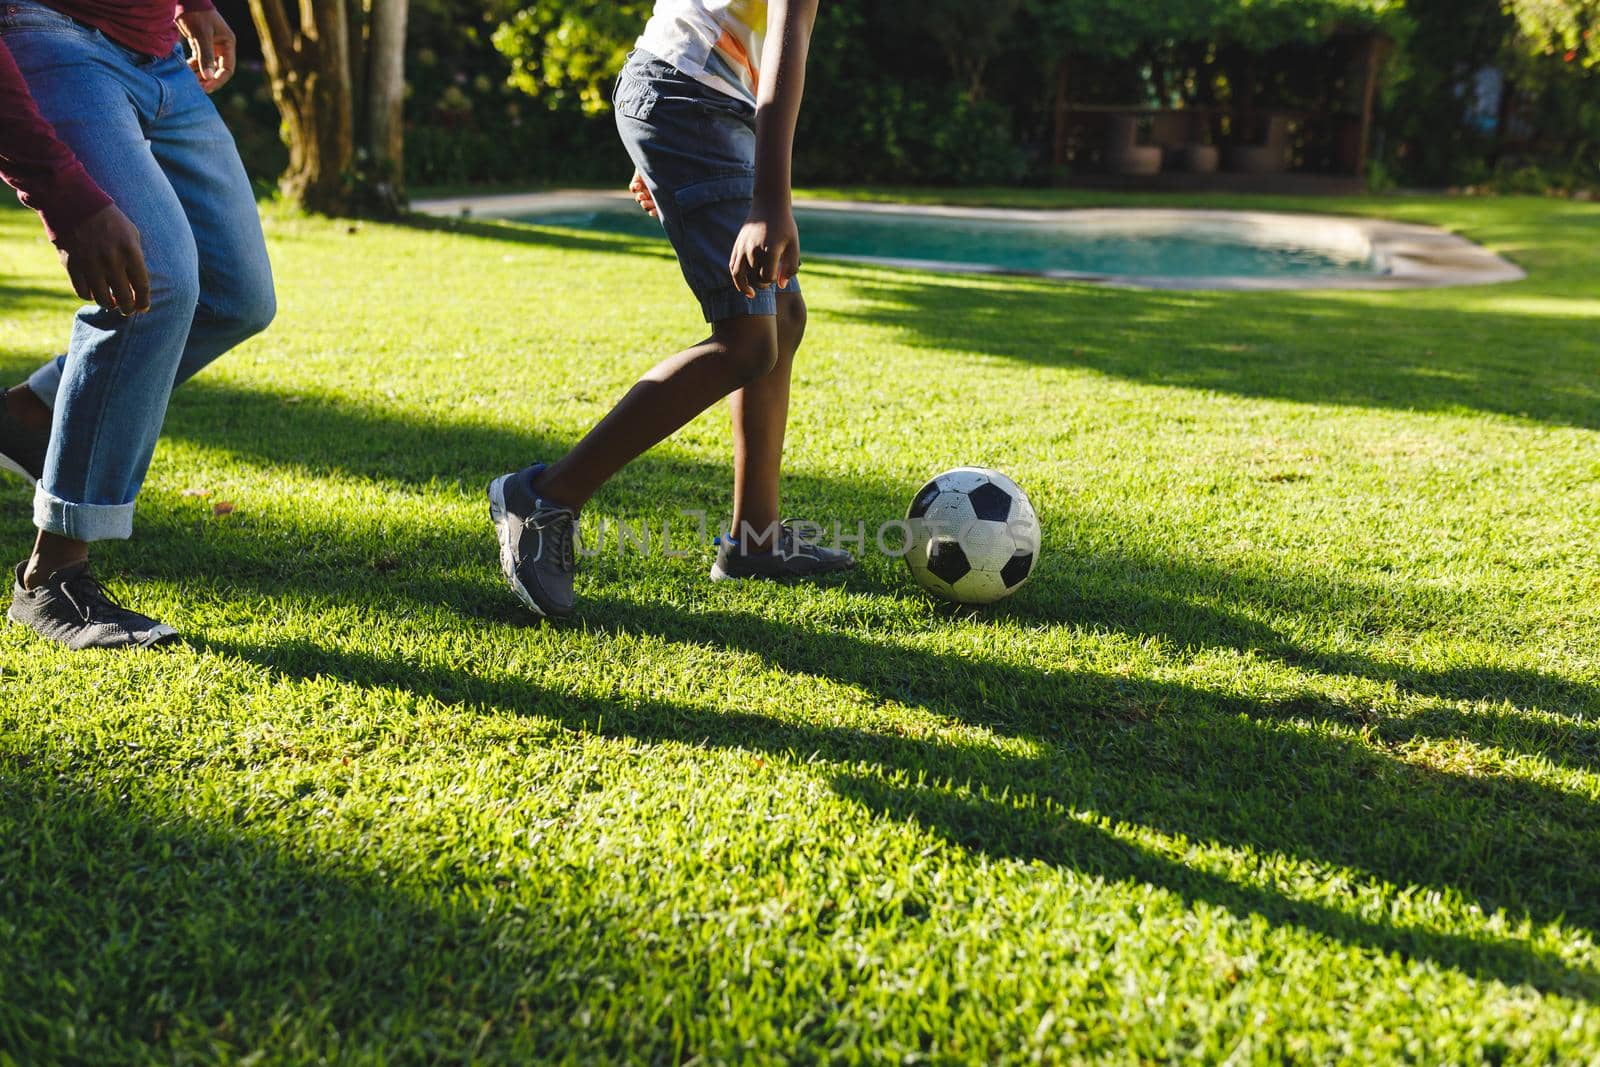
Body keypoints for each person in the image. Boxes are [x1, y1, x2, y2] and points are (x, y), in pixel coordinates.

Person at [489, 0, 851, 619]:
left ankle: (754, 539)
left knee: (781, 320)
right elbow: (789, 37)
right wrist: (768, 202)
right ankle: (543, 498)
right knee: (748, 341)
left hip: (691, 97)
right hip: (693, 99)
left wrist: (655, 130)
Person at [0, 0, 275, 648]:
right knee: (158, 283)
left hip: (158, 59)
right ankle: (52, 577)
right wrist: (65, 197)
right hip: (47, 38)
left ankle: (32, 417)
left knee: (240, 295)